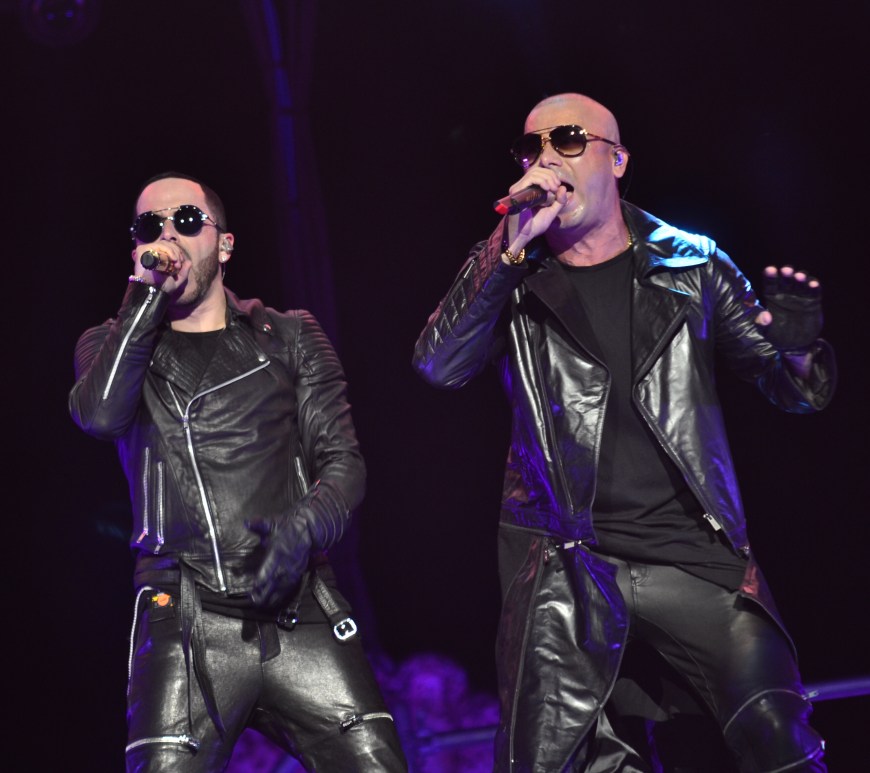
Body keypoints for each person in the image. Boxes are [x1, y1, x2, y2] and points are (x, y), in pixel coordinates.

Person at [412, 93, 834, 772]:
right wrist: (506, 248)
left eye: (568, 139)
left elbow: (789, 388)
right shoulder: (511, 274)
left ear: (617, 159)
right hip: (570, 572)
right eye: (531, 147)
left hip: (693, 560)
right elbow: (439, 364)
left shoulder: (692, 262)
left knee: (779, 735)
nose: (547, 158)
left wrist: (799, 351)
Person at [69, 172, 408, 772]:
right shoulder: (112, 345)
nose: (167, 237)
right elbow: (99, 416)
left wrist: (304, 528)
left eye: (186, 221)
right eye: (150, 227)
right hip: (183, 614)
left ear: (224, 244)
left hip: (297, 606)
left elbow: (343, 462)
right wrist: (143, 300)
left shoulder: (288, 335)